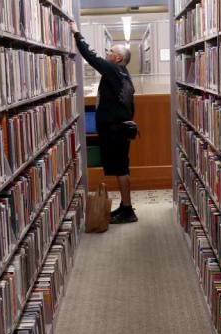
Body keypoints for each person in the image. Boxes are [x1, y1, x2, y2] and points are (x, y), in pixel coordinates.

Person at [70, 21, 138, 224]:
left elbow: (91, 57)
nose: (106, 53)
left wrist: (76, 34)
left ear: (117, 58)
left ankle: (127, 211)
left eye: (110, 51)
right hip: (122, 129)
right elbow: (130, 105)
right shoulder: (125, 75)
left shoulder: (113, 69)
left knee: (120, 169)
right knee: (121, 168)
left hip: (115, 130)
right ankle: (125, 207)